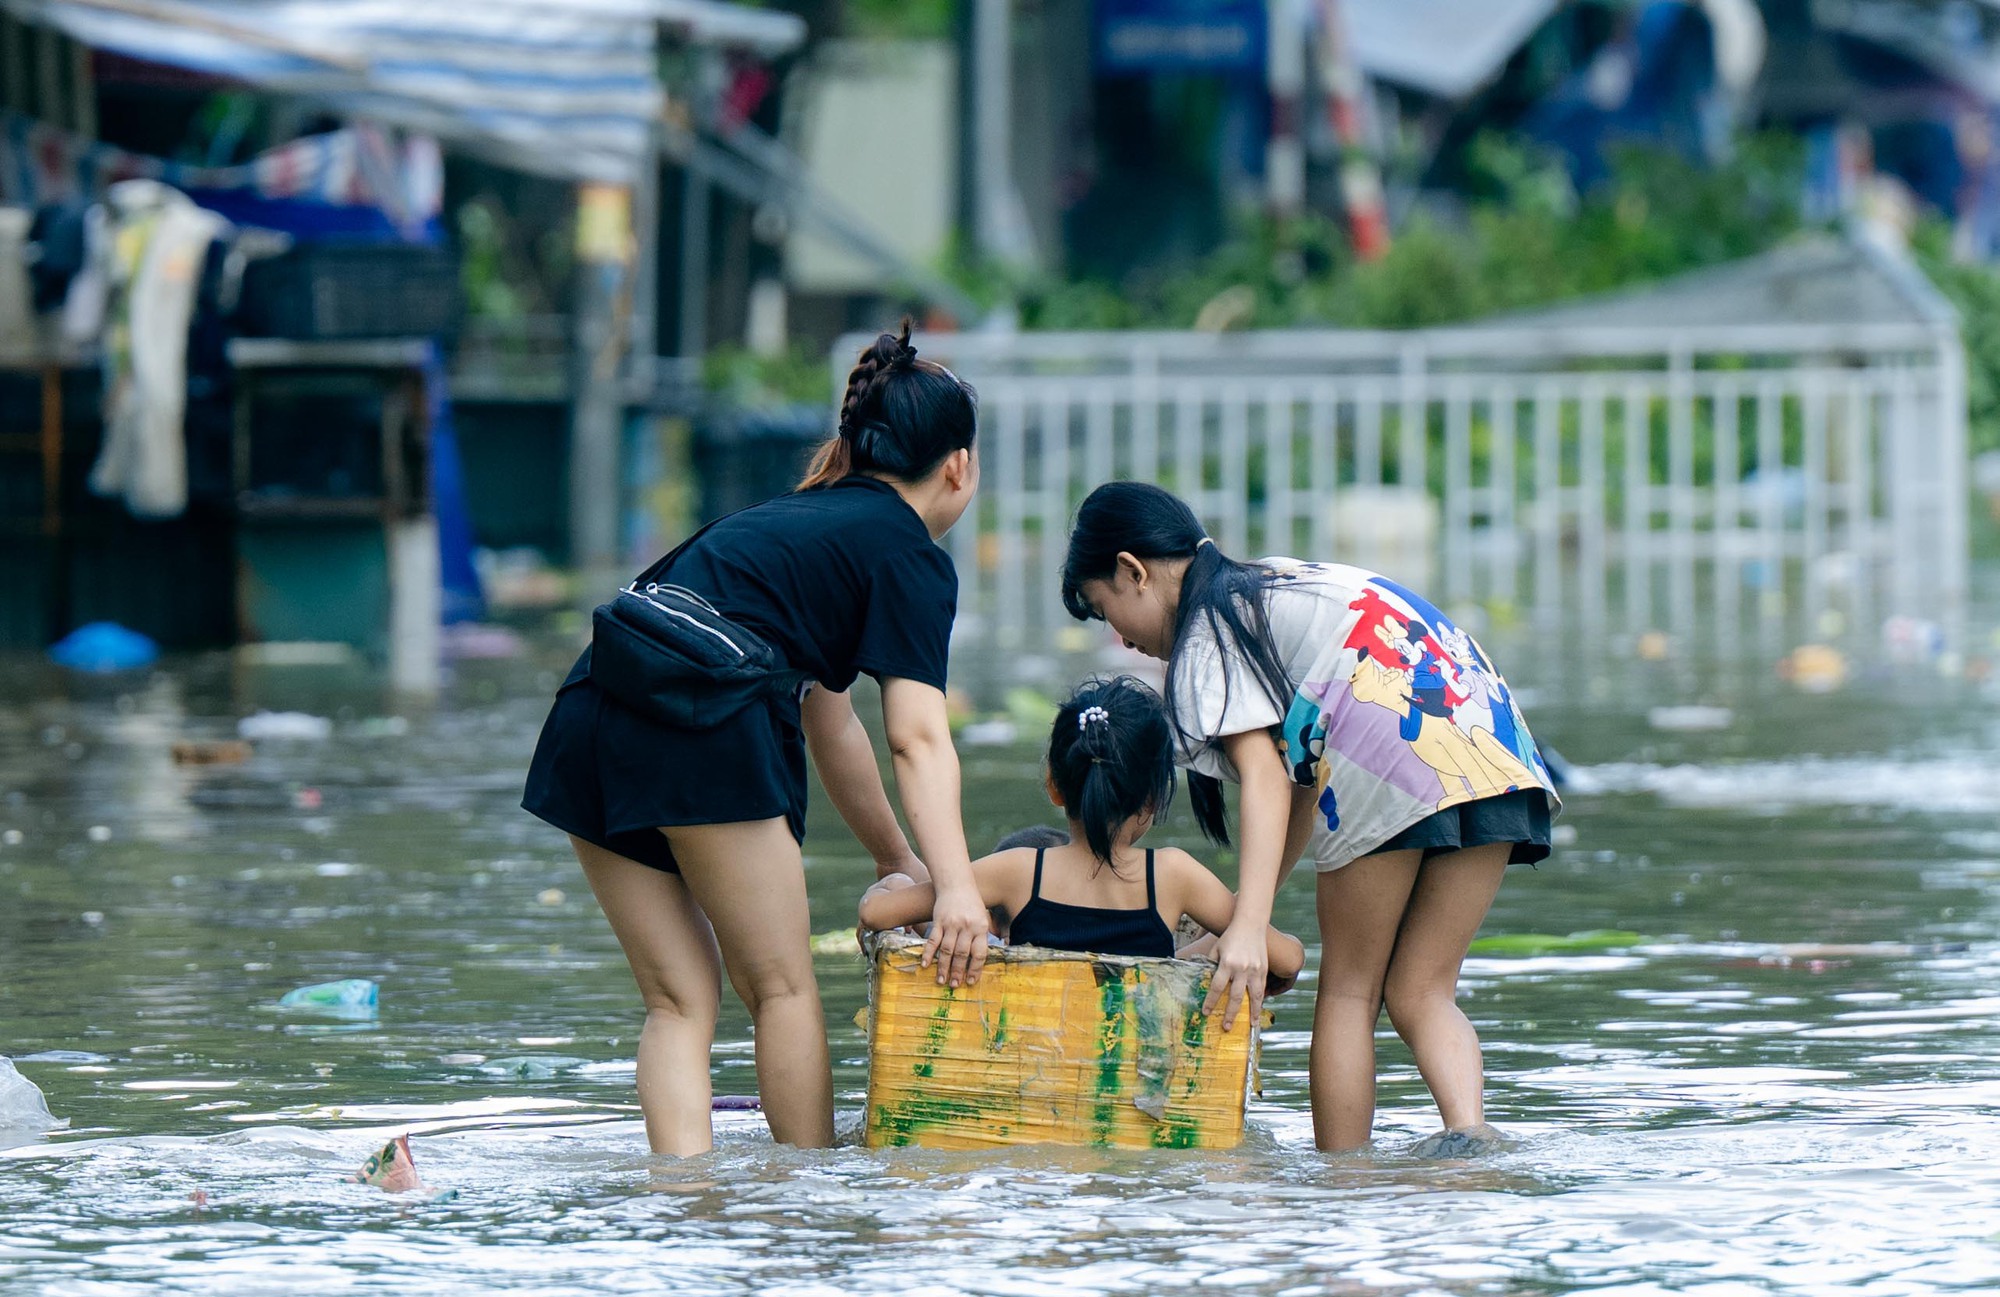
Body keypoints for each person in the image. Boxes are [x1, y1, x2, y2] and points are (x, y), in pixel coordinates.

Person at [522, 324, 991, 1156]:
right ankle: (802, 1201)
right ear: (959, 465)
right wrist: (956, 888)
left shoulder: (791, 521)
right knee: (780, 989)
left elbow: (830, 720)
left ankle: (684, 1194)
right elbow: (917, 738)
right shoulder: (908, 552)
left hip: (591, 716)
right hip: (702, 727)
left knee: (678, 1001)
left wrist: (898, 858)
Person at [1059, 482, 1559, 1153]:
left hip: (1394, 749)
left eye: (1106, 609)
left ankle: (1342, 1183)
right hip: (1491, 745)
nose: (1121, 636)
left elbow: (1267, 780)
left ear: (1133, 570)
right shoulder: (1269, 586)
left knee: (1350, 991)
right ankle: (1471, 1143)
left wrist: (1245, 930)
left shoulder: (1209, 630)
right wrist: (1246, 916)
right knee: (1422, 991)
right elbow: (1292, 785)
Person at [858, 676, 1306, 986]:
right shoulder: (1175, 876)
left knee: (901, 884)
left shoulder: (1017, 870)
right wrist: (1217, 945)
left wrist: (889, 885)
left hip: (1037, 1056)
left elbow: (877, 915)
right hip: (1134, 1066)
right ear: (1153, 800)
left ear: (1054, 786)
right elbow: (1288, 959)